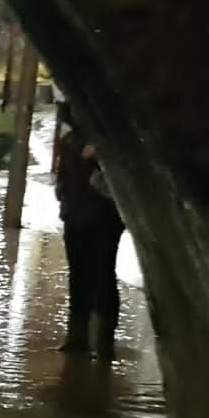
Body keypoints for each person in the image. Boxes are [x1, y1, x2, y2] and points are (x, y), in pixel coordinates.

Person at [52, 104, 124, 357]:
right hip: (76, 214)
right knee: (79, 274)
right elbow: (62, 173)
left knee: (102, 272)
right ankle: (78, 338)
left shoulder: (108, 141)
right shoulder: (70, 139)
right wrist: (63, 196)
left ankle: (103, 343)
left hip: (103, 217)